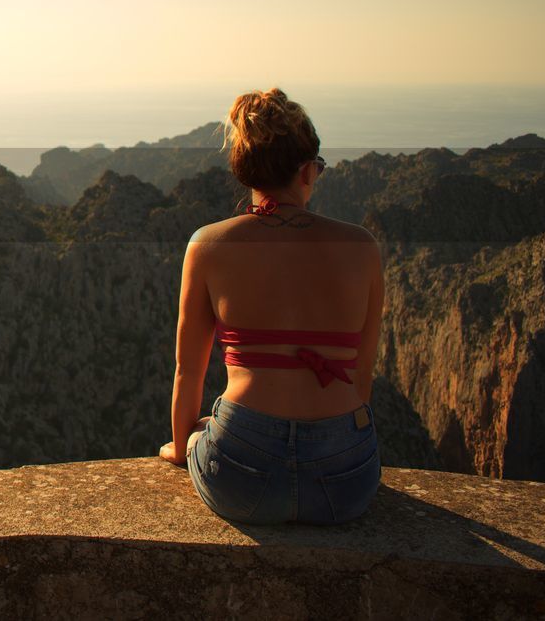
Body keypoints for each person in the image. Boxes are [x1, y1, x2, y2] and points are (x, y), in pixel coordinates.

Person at [157, 87, 384, 525]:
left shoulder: (207, 245)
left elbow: (188, 370)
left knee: (205, 428)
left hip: (242, 476)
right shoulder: (362, 247)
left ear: (248, 173)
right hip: (345, 482)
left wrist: (181, 443)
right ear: (305, 171)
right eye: (317, 167)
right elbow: (361, 380)